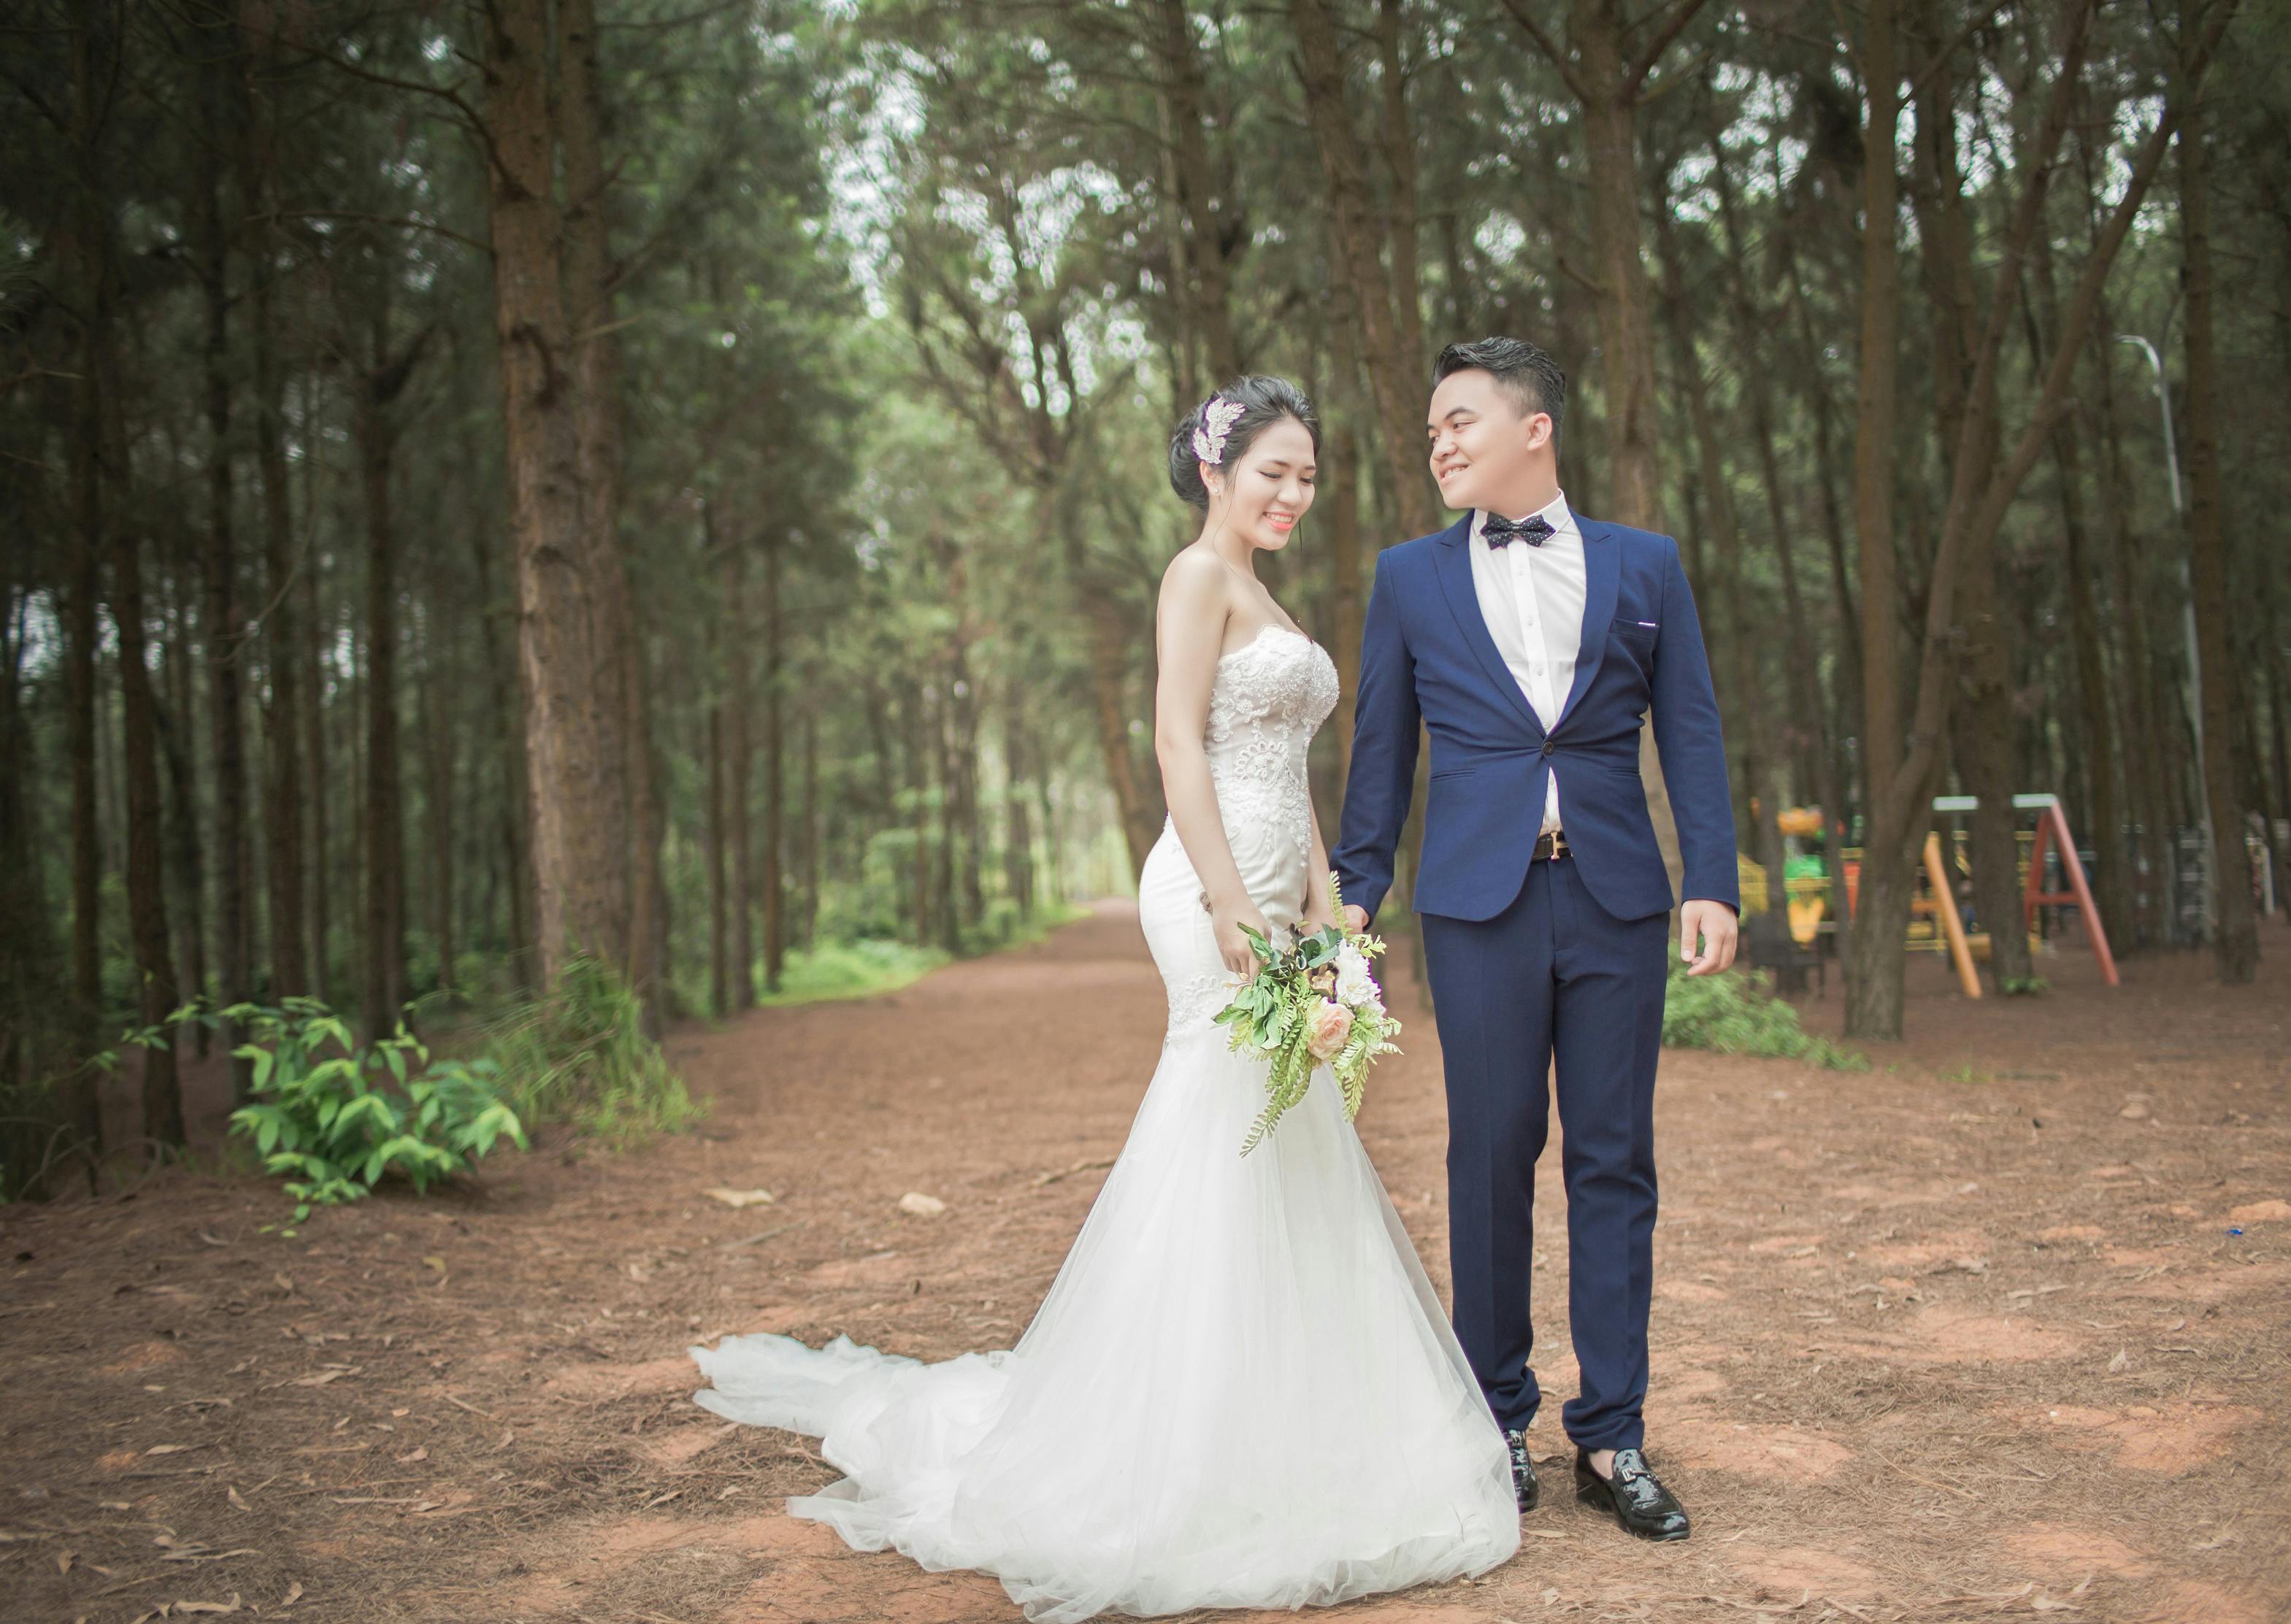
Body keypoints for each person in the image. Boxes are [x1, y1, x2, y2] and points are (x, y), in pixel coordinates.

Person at [690, 377, 1519, 1622]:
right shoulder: (1195, 578)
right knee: (1219, 1109)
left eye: (1306, 477)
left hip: (1278, 893)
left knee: (1286, 1131)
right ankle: (1160, 1450)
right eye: (1271, 473)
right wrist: (1235, 900)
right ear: (1212, 471)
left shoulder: (1265, 593)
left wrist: (1329, 903)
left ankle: (1278, 1426)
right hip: (1201, 889)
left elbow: (1290, 762)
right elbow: (1179, 742)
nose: (1291, 494)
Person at [1334, 336, 1740, 1542]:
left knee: (1615, 1160)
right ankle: (1493, 1418)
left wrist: (1709, 877)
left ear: (1533, 428)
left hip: (1615, 895)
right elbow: (1379, 754)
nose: (1439, 442)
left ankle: (1611, 1434)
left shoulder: (1644, 564)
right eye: (1429, 430)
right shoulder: (1410, 577)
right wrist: (1357, 898)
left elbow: (1694, 729)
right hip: (1475, 903)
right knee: (1488, 1153)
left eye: (1458, 420)